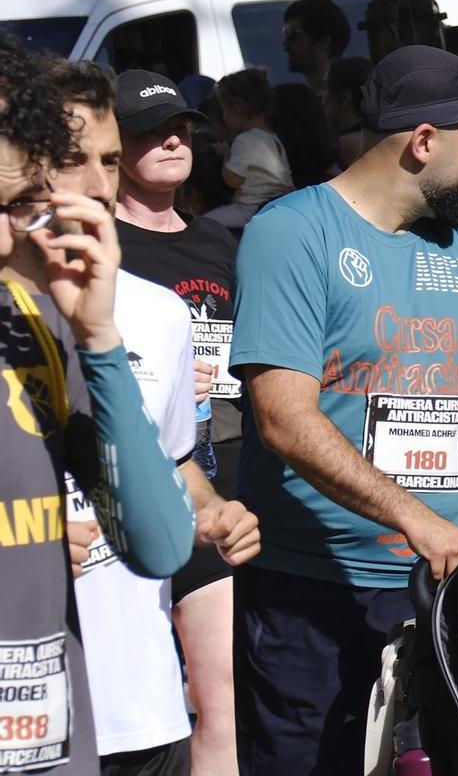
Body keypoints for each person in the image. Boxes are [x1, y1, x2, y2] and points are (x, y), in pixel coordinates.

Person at [228, 45, 458, 776]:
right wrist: (416, 518)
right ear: (422, 142)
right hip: (312, 591)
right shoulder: (291, 232)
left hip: (443, 590)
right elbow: (284, 419)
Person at [49, 60, 261, 776]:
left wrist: (211, 508)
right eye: (72, 159)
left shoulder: (158, 312)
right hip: (37, 706)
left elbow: (173, 472)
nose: (97, 182)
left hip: (143, 706)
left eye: (109, 159)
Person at [0, 30, 195, 776]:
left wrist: (100, 338)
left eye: (17, 204)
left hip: (59, 746)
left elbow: (160, 542)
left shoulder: (40, 321)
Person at [112, 72, 245, 776]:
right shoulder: (99, 246)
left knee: (214, 688)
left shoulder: (216, 241)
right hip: (133, 481)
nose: (171, 139)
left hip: (216, 468)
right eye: (146, 130)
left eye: (182, 127)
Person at [204, 69, 292, 235]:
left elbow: (233, 179)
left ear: (235, 110)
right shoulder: (273, 138)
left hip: (250, 208)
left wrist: (225, 156)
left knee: (207, 222)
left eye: (224, 110)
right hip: (277, 205)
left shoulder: (244, 140)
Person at [279, 0, 350, 105]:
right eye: (285, 33)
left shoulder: (349, 100)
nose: (284, 44)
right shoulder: (307, 103)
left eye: (292, 34)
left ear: (323, 42)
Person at [325, 55, 371, 171]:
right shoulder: (384, 137)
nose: (323, 104)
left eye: (327, 96)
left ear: (345, 98)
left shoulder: (342, 147)